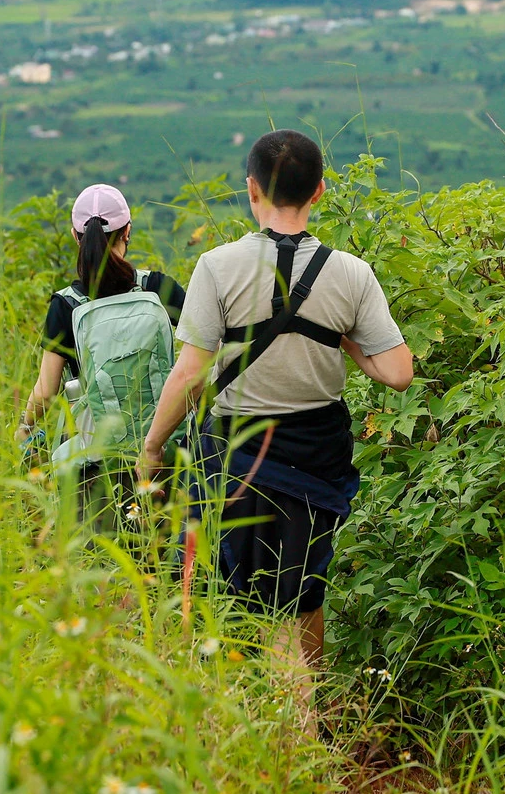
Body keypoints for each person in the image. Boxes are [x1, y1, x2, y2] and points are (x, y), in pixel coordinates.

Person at [136, 129, 413, 713]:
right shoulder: (352, 274)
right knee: (303, 593)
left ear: (252, 189)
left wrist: (153, 446)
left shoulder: (217, 268)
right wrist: (348, 344)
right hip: (320, 459)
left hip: (242, 458)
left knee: (257, 613)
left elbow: (189, 376)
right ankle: (320, 720)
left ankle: (292, 747)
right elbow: (397, 373)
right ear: (318, 191)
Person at [20, 184, 185, 480]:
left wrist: (24, 428)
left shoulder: (66, 305)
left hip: (96, 458)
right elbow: (205, 344)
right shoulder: (158, 288)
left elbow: (46, 392)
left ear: (75, 236)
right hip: (167, 448)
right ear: (127, 232)